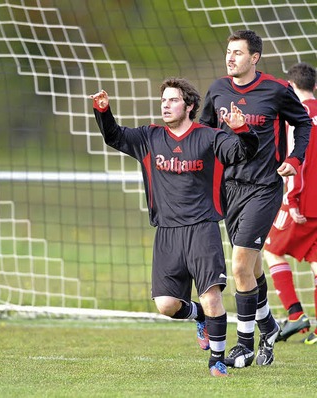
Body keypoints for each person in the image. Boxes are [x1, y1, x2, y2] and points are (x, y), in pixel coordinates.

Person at [92, 77, 259, 377]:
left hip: (202, 229)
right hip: (167, 232)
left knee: (212, 297)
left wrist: (242, 129)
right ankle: (200, 318)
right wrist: (103, 111)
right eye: (164, 100)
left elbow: (245, 151)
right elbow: (114, 137)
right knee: (167, 305)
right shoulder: (149, 136)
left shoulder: (208, 137)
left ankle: (216, 360)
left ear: (190, 105)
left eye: (173, 100)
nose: (166, 105)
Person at [199, 29, 312, 368]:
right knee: (251, 266)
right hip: (230, 190)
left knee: (239, 267)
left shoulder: (277, 90)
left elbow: (304, 123)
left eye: (237, 52)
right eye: (228, 52)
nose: (230, 57)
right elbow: (203, 132)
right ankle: (269, 325)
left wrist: (295, 159)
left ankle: (245, 344)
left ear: (254, 58)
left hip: (265, 188)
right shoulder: (217, 90)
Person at [263, 62, 317, 345]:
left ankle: (295, 315)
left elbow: (298, 160)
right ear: (315, 87)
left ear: (291, 89)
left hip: (303, 202)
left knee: (271, 249)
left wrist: (292, 200)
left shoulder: (295, 117)